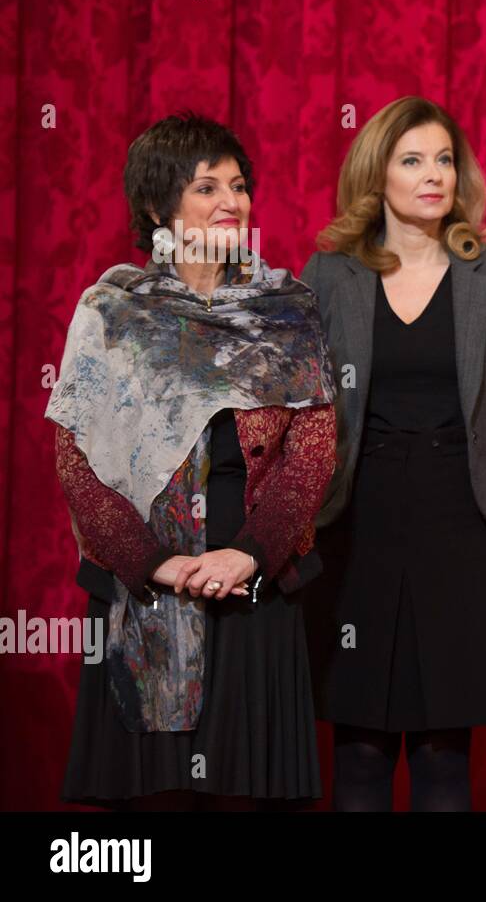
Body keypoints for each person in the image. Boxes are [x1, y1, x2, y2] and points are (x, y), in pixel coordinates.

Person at [46, 112, 337, 808]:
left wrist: (250, 553)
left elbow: (314, 450)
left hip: (252, 591)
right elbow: (75, 458)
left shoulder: (285, 308)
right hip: (144, 591)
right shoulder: (112, 310)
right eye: (207, 186)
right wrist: (155, 562)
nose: (232, 201)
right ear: (158, 206)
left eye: (239, 185)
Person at [302, 96, 486, 811]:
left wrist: (478, 477)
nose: (433, 175)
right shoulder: (328, 274)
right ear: (377, 175)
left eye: (444, 159)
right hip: (355, 523)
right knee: (359, 756)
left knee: (444, 759)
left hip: (460, 524)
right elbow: (310, 406)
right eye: (412, 160)